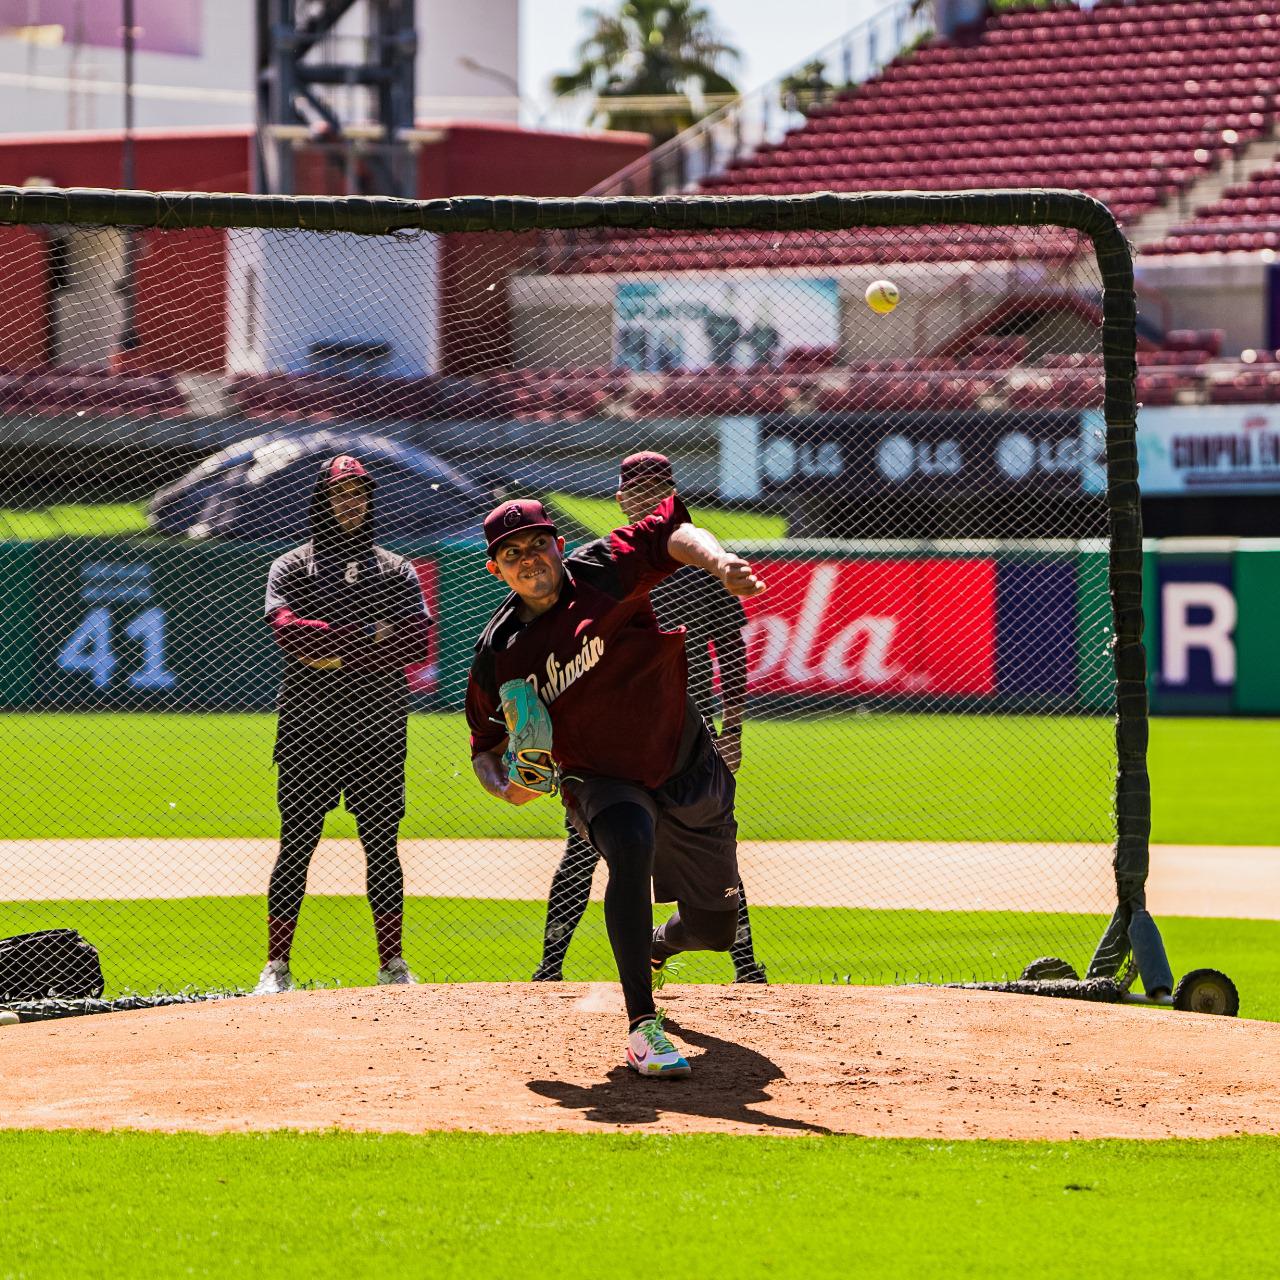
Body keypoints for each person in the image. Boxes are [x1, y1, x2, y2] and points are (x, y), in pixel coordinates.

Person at [465, 492, 766, 1078]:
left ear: (557, 544)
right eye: (512, 553)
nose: (529, 559)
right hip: (597, 777)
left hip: (683, 759)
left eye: (537, 544)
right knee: (629, 842)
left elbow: (669, 531)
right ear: (495, 569)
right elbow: (484, 747)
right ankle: (641, 1029)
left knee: (712, 928)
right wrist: (505, 789)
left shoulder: (600, 570)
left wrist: (718, 561)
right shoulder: (499, 652)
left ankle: (656, 945)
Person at [531, 451, 766, 985]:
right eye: (637, 487)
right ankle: (550, 968)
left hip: (687, 731)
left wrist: (734, 729)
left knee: (711, 835)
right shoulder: (599, 568)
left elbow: (729, 650)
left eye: (658, 486)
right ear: (619, 498)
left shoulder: (695, 561)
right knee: (584, 844)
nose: (646, 495)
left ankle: (746, 966)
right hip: (608, 734)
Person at [255, 455, 432, 994]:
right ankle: (277, 967)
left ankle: (392, 965)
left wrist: (333, 645)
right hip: (309, 729)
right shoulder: (291, 566)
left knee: (382, 844)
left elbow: (415, 643)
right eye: (341, 494)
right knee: (297, 842)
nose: (351, 503)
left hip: (377, 728)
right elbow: (291, 634)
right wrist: (371, 637)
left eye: (359, 494)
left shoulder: (395, 567)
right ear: (323, 500)